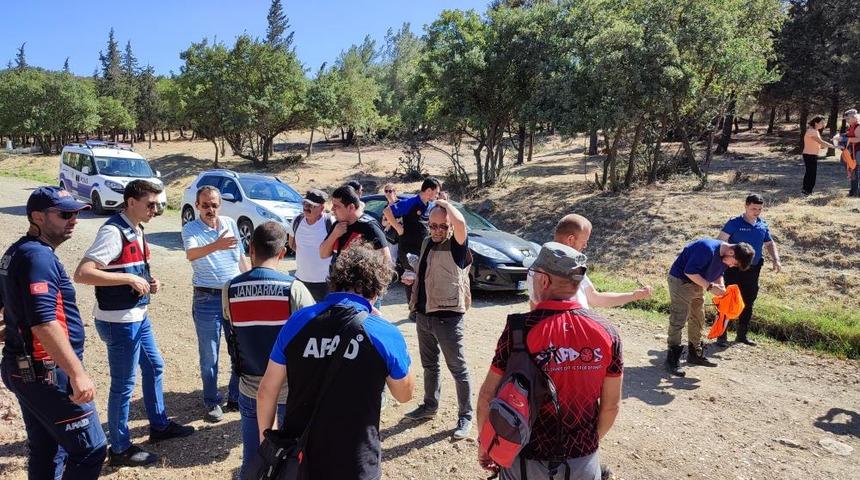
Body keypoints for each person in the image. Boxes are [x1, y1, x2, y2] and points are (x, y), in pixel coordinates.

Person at [257, 242, 414, 479]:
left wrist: (268, 445)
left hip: (300, 458)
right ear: (375, 291)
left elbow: (266, 391)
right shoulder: (383, 332)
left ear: (335, 281)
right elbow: (404, 395)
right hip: (356, 462)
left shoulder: (298, 321)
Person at [477, 242, 623, 480]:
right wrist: (583, 446)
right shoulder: (608, 332)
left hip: (524, 458)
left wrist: (488, 445)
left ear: (544, 280)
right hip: (582, 463)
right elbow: (611, 406)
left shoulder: (518, 330)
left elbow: (487, 396)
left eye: (532, 274)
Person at [74, 180, 194, 466]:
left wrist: (148, 281)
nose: (156, 209)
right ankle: (119, 448)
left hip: (137, 316)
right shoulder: (113, 232)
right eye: (150, 204)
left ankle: (159, 426)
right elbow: (83, 273)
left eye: (157, 204)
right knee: (123, 384)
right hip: (120, 322)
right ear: (130, 202)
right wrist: (129, 278)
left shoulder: (136, 229)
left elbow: (128, 268)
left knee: (154, 367)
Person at [0, 187, 107, 478]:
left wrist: (13, 326)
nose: (73, 220)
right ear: (37, 217)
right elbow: (45, 323)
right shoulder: (38, 258)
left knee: (47, 448)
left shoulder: (18, 251)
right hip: (45, 370)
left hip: (25, 368)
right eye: (65, 214)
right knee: (91, 448)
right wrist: (77, 374)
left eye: (75, 214)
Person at [222, 221, 315, 478]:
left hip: (249, 385)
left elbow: (232, 330)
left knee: (253, 456)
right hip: (288, 389)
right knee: (291, 457)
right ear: (283, 253)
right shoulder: (293, 289)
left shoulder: (230, 289)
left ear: (250, 248)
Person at [402, 200, 474, 439]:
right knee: (429, 365)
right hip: (424, 315)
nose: (436, 231)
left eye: (442, 226)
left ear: (450, 226)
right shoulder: (426, 242)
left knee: (458, 369)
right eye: (432, 225)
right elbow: (426, 271)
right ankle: (430, 406)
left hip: (449, 318)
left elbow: (461, 222)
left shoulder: (457, 245)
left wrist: (442, 202)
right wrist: (413, 277)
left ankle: (466, 416)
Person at [181, 185, 250, 422]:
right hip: (206, 298)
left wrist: (249, 281)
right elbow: (191, 254)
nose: (211, 209)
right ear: (197, 205)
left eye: (214, 204)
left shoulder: (230, 224)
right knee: (209, 354)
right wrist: (216, 245)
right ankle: (212, 402)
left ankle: (235, 395)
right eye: (206, 205)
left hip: (233, 296)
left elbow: (241, 256)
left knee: (239, 349)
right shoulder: (191, 228)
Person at [664, 238, 754, 376]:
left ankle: (694, 354)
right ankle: (672, 359)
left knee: (698, 317)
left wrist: (721, 285)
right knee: (679, 318)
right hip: (681, 281)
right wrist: (710, 286)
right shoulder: (706, 249)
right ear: (731, 252)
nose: (731, 266)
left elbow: (719, 273)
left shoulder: (725, 256)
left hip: (697, 283)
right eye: (734, 263)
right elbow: (690, 271)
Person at [716, 194, 782, 347]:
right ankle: (721, 335)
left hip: (753, 269)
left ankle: (742, 335)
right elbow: (720, 241)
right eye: (753, 208)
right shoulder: (734, 223)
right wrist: (719, 264)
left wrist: (776, 259)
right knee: (727, 300)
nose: (757, 212)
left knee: (748, 301)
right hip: (733, 268)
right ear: (746, 206)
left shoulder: (762, 225)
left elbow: (769, 243)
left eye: (759, 209)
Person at [552, 214, 652, 308]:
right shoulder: (545, 267)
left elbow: (595, 298)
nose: (585, 246)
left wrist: (633, 296)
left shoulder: (575, 264)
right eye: (584, 242)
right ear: (571, 240)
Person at [382, 177, 441, 305]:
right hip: (408, 247)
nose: (437, 196)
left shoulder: (430, 205)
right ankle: (412, 308)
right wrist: (399, 229)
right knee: (410, 279)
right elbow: (387, 211)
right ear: (429, 190)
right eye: (436, 193)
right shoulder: (411, 202)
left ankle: (422, 307)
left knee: (424, 278)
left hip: (423, 247)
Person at [288, 189, 335, 302]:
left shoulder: (329, 222)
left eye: (311, 206)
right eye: (305, 204)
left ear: (322, 208)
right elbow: (292, 244)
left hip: (324, 283)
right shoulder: (297, 220)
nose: (306, 208)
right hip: (300, 280)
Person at [802, 116, 836, 195]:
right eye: (822, 123)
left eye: (824, 123)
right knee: (811, 173)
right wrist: (834, 146)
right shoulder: (812, 131)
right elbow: (820, 142)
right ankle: (807, 191)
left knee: (810, 173)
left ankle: (806, 190)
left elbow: (819, 144)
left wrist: (823, 146)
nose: (823, 125)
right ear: (816, 123)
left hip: (811, 154)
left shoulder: (815, 131)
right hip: (809, 155)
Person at [834, 109, 860, 196]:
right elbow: (848, 135)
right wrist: (840, 136)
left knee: (856, 171)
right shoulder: (851, 126)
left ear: (854, 117)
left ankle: (856, 192)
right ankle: (854, 191)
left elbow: (858, 138)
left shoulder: (858, 126)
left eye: (848, 118)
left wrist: (844, 139)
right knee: (853, 171)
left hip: (858, 152)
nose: (847, 120)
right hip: (851, 152)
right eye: (846, 119)